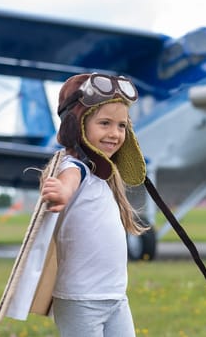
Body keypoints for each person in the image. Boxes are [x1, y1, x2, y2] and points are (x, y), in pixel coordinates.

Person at [38, 73, 148, 337]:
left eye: (122, 126)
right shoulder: (75, 166)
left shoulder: (105, 177)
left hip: (115, 297)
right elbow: (70, 178)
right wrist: (62, 191)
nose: (115, 133)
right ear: (78, 125)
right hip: (81, 300)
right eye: (105, 123)